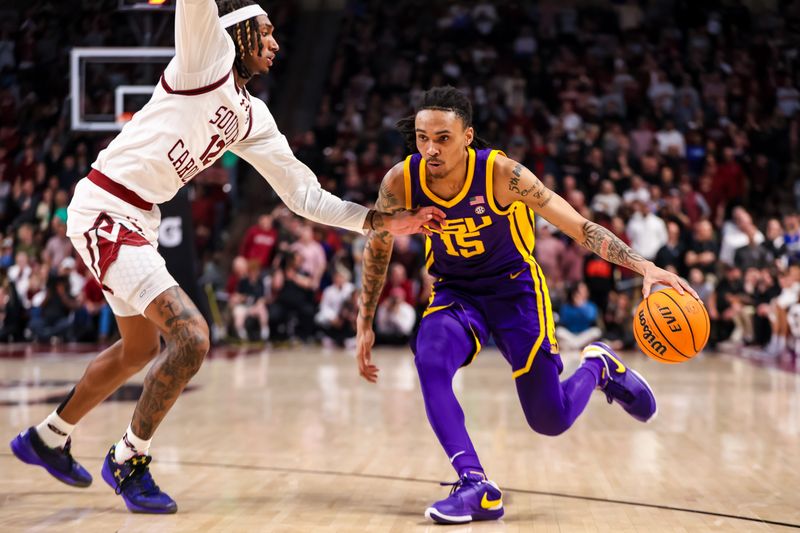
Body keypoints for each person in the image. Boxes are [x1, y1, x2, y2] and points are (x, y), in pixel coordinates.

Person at [9, 0, 443, 515]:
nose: (277, 43)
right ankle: (129, 458)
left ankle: (48, 436)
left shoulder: (253, 115)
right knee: (192, 337)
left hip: (138, 219)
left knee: (137, 350)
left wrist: (377, 219)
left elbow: (304, 196)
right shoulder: (204, 57)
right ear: (238, 34)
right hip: (105, 211)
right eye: (266, 31)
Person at [355, 87, 697, 525]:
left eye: (442, 138)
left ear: (468, 136)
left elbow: (579, 227)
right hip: (456, 290)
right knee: (430, 355)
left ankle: (599, 368)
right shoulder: (401, 181)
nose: (430, 148)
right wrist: (365, 320)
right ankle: (474, 482)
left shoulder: (502, 173)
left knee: (549, 420)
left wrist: (644, 267)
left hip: (516, 291)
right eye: (422, 138)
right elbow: (378, 244)